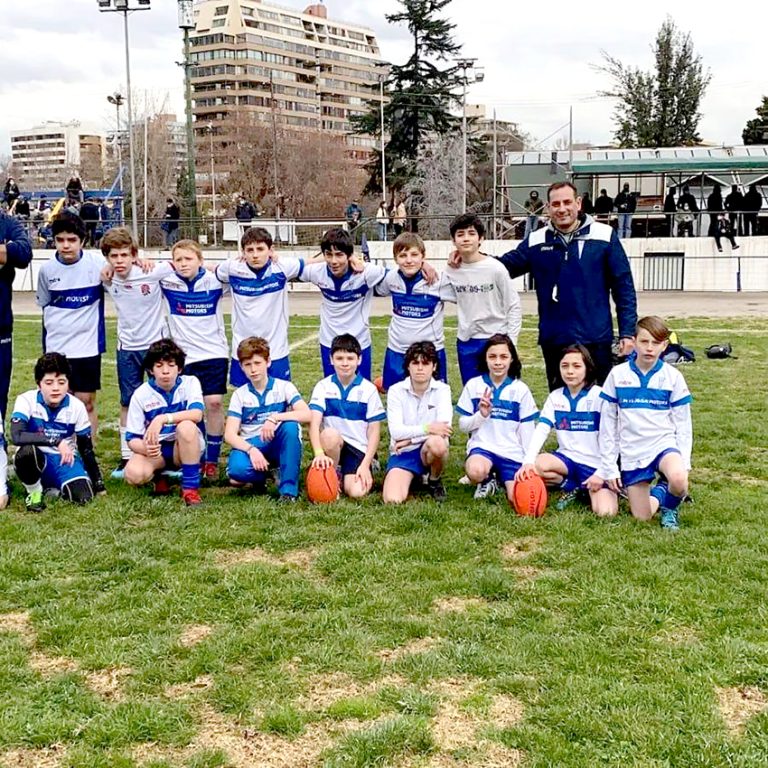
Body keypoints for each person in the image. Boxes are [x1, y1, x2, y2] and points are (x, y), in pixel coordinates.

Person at [495, 181, 637, 390]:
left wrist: (627, 332)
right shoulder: (536, 240)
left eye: (567, 202)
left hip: (595, 338)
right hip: (555, 340)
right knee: (560, 403)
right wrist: (470, 258)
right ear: (547, 207)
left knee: (599, 403)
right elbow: (502, 267)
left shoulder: (604, 235)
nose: (562, 209)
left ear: (578, 203)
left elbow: (623, 287)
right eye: (556, 204)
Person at [597, 315, 692, 531]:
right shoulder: (617, 375)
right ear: (634, 342)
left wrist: (684, 462)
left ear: (664, 346)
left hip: (662, 445)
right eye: (644, 341)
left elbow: (683, 425)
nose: (649, 348)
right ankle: (661, 490)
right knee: (642, 517)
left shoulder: (673, 377)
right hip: (632, 451)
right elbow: (608, 425)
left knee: (679, 479)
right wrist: (610, 467)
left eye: (656, 343)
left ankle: (670, 509)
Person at [101, 227, 173, 477]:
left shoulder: (152, 271)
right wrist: (106, 269)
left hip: (155, 347)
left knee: (163, 399)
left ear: (133, 254)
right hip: (127, 348)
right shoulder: (107, 277)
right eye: (114, 256)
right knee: (128, 401)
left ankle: (167, 454)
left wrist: (144, 259)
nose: (119, 261)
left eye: (124, 255)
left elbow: (183, 263)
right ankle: (126, 456)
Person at [516, 344, 617, 517]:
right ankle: (571, 486)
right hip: (567, 460)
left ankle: (586, 488)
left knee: (606, 512)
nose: (570, 371)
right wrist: (528, 461)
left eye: (576, 366)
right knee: (537, 465)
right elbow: (542, 429)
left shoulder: (600, 397)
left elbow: (614, 439)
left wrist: (602, 473)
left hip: (596, 465)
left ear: (588, 368)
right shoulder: (555, 397)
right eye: (565, 366)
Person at [160, 239, 228, 481]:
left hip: (214, 353)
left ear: (200, 260)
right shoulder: (166, 281)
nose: (183, 263)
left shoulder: (216, 280)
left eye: (188, 258)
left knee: (214, 403)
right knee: (191, 409)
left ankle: (212, 459)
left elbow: (239, 273)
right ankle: (195, 456)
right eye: (178, 259)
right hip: (184, 357)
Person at [36, 213, 106, 434]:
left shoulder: (98, 265)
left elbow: (124, 272)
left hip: (87, 348)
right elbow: (44, 304)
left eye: (72, 240)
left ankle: (87, 451)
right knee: (57, 403)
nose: (66, 245)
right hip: (57, 348)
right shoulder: (46, 270)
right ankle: (59, 450)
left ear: (82, 241)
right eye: (60, 240)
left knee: (86, 403)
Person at [10, 353, 105, 512]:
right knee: (27, 453)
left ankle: (51, 490)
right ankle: (34, 492)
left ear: (68, 383)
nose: (55, 388)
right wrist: (57, 441)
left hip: (64, 460)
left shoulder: (76, 406)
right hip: (36, 458)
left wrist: (98, 483)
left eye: (61, 382)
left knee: (84, 497)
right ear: (39, 384)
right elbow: (17, 436)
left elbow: (86, 448)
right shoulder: (26, 400)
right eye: (49, 382)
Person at [224, 336, 311, 502]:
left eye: (257, 363)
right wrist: (251, 450)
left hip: (275, 440)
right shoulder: (239, 395)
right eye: (248, 365)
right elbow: (229, 434)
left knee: (291, 426)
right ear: (241, 367)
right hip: (253, 443)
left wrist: (275, 417)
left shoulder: (284, 386)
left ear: (268, 362)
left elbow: (306, 414)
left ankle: (288, 492)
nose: (253, 369)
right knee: (236, 473)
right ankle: (268, 474)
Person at [215, 226, 304, 386]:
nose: (255, 255)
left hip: (276, 350)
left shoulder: (283, 267)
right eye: (250, 250)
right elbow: (211, 270)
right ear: (243, 253)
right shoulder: (231, 268)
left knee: (279, 396)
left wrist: (350, 257)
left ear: (271, 250)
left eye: (260, 249)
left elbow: (313, 263)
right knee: (245, 397)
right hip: (242, 350)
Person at [456, 334, 538, 502]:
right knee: (475, 471)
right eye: (492, 356)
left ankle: (500, 478)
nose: (498, 362)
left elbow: (528, 431)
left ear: (512, 359)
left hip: (512, 454)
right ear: (485, 359)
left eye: (503, 357)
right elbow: (463, 425)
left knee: (518, 499)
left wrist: (528, 462)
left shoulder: (521, 390)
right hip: (483, 449)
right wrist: (481, 415)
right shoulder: (474, 385)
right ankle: (486, 480)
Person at [123, 339, 205, 506]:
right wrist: (146, 449)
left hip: (182, 446)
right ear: (151, 370)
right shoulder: (140, 394)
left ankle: (190, 488)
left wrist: (162, 419)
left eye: (171, 365)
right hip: (157, 451)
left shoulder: (190, 383)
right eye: (159, 366)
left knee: (187, 426)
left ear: (179, 368)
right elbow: (132, 438)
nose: (165, 371)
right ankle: (160, 476)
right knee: (134, 474)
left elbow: (197, 414)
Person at [299, 227, 387, 380]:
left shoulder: (366, 272)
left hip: (359, 343)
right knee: (333, 389)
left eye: (339, 255)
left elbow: (401, 274)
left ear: (349, 255)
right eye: (329, 254)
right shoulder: (316, 272)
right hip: (329, 343)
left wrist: (424, 265)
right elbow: (287, 268)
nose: (334, 261)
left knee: (361, 390)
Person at [445, 213, 522, 385]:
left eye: (471, 233)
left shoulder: (496, 268)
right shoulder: (451, 270)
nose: (466, 238)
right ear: (453, 240)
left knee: (499, 392)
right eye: (460, 234)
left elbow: (514, 305)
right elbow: (437, 292)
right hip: (467, 342)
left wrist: (511, 342)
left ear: (481, 238)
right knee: (473, 392)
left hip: (495, 339)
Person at [374, 232, 455, 391]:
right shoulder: (391, 278)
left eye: (414, 255)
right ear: (395, 259)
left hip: (430, 353)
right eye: (403, 256)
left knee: (432, 400)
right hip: (397, 351)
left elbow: (467, 293)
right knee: (396, 397)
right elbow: (372, 285)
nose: (409, 260)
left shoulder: (438, 281)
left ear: (423, 256)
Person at [308, 333, 385, 500]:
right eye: (339, 358)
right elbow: (314, 425)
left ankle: (360, 469)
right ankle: (333, 473)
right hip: (333, 445)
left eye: (350, 358)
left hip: (357, 448)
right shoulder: (323, 386)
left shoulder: (369, 390)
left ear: (359, 360)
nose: (345, 363)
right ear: (331, 360)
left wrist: (365, 464)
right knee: (329, 435)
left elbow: (374, 432)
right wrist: (319, 453)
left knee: (357, 492)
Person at [382, 341, 452, 504]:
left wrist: (410, 439)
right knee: (392, 500)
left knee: (438, 444)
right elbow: (396, 432)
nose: (420, 368)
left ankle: (434, 480)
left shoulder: (443, 390)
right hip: (403, 452)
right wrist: (428, 428)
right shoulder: (395, 390)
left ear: (434, 366)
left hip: (427, 448)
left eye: (425, 363)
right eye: (415, 363)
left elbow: (444, 430)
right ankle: (415, 476)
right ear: (408, 366)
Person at [0, 209, 33, 420]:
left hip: (1, 325)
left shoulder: (6, 222)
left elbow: (24, 253)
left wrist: (7, 253)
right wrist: (5, 252)